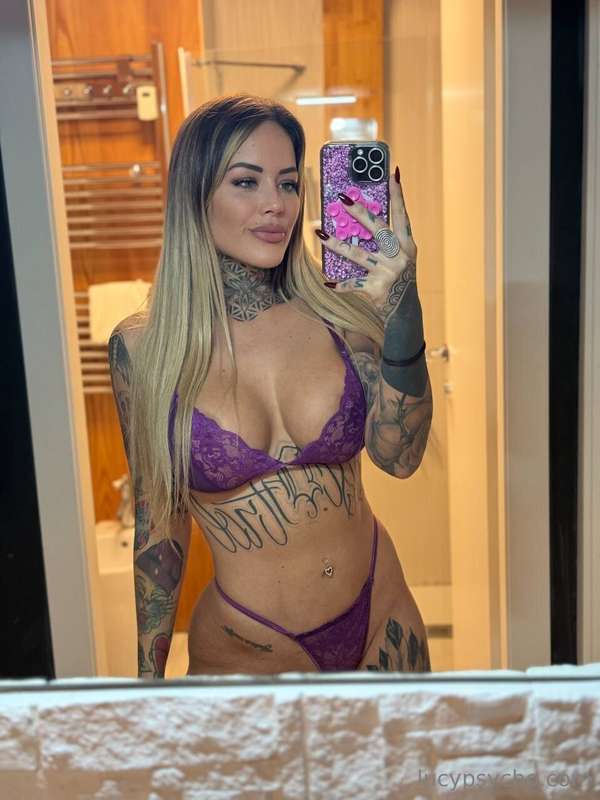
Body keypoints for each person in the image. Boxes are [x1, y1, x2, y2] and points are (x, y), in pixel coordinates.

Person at [108, 94, 433, 678]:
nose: (275, 205)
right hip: (247, 653)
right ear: (195, 195)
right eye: (246, 182)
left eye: (287, 183)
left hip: (381, 620)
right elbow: (160, 526)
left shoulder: (343, 315)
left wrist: (405, 311)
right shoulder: (144, 349)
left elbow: (400, 457)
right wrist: (146, 682)